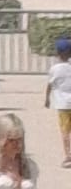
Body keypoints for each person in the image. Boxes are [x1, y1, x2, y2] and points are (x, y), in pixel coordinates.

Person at [0, 113, 37, 189]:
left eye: (20, 139)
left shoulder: (29, 166)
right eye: (12, 140)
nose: (18, 144)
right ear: (1, 140)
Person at [46, 35, 71, 167]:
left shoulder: (54, 69)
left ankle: (68, 156)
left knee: (65, 132)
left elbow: (49, 85)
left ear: (57, 53)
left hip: (62, 105)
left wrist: (46, 99)